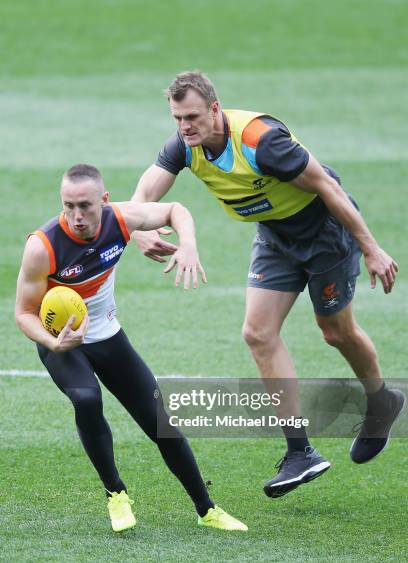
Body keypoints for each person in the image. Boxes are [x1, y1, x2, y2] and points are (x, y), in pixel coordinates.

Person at [131, 71, 405, 499]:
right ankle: (301, 451)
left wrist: (370, 247)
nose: (185, 127)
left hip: (325, 231)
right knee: (257, 333)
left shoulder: (262, 142)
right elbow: (147, 189)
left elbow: (326, 187)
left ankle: (381, 401)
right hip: (275, 236)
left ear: (215, 109)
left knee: (335, 331)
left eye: (193, 117)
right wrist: (137, 227)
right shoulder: (185, 145)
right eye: (178, 118)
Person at [15, 163, 247, 533]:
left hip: (107, 334)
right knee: (87, 399)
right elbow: (24, 313)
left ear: (104, 201)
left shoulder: (119, 220)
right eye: (68, 205)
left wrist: (187, 244)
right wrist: (52, 341)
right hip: (62, 342)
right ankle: (116, 493)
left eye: (85, 206)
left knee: (160, 422)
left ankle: (207, 509)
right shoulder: (42, 246)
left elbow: (175, 210)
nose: (76, 216)